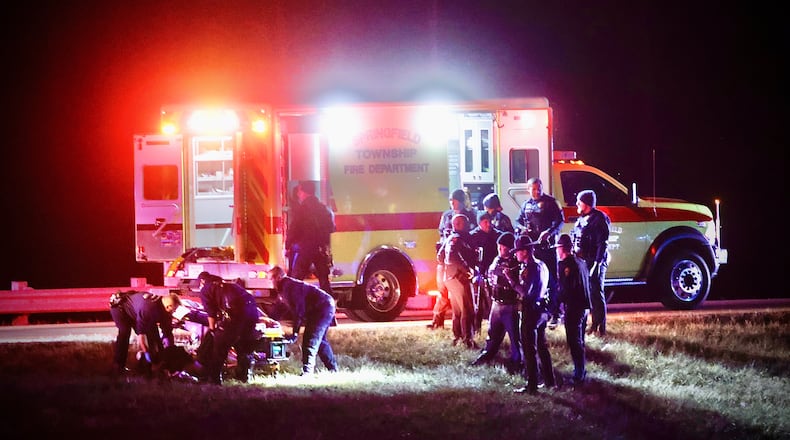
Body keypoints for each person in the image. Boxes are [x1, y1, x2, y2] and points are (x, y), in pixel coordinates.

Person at [196, 271, 267, 384]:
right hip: (252, 312)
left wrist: (212, 329)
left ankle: (215, 379)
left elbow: (211, 313)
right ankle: (244, 376)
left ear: (202, 281)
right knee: (244, 345)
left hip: (235, 314)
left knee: (220, 346)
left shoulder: (206, 288)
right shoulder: (230, 285)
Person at [510, 235, 559, 394]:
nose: (516, 254)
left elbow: (525, 293)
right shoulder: (542, 264)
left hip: (531, 311)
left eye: (517, 251)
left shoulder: (531, 268)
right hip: (542, 310)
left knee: (529, 349)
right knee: (542, 347)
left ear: (525, 251)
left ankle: (532, 385)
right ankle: (550, 381)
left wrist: (511, 280)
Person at [267, 265, 338, 375]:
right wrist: (268, 321)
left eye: (271, 278)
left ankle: (307, 371)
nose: (271, 282)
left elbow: (299, 311)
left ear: (278, 277)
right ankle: (333, 369)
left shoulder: (289, 287)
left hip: (322, 308)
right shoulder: (283, 289)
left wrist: (295, 332)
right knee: (320, 341)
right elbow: (279, 309)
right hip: (323, 306)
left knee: (311, 339)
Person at [516, 177, 565, 330]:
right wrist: (521, 228)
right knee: (535, 281)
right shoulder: (526, 205)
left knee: (552, 282)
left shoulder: (551, 202)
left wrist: (549, 232)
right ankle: (540, 311)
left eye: (539, 188)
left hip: (548, 249)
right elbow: (517, 221)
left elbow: (560, 221)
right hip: (534, 249)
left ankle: (556, 313)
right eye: (534, 188)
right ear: (528, 189)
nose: (537, 191)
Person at [470, 232, 522, 374]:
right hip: (496, 304)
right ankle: (487, 354)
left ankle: (517, 362)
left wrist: (505, 279)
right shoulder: (496, 260)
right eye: (499, 247)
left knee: (514, 337)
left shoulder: (515, 263)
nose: (500, 250)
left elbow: (516, 283)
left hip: (509, 305)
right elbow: (490, 275)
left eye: (503, 248)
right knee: (492, 334)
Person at [427, 188, 478, 330]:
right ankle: (437, 321)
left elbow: (473, 233)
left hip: (460, 261)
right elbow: (441, 233)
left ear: (462, 202)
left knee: (462, 297)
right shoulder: (447, 216)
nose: (452, 204)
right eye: (450, 201)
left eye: (455, 201)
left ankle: (465, 328)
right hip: (445, 259)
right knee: (442, 291)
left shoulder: (470, 216)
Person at [109, 290, 181, 377]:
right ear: (168, 307)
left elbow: (167, 332)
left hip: (136, 310)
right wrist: (146, 352)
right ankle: (118, 366)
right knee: (124, 333)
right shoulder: (148, 308)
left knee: (154, 333)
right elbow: (141, 336)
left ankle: (156, 366)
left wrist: (169, 351)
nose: (174, 312)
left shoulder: (165, 309)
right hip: (121, 308)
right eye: (174, 310)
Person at [553, 233, 592, 386]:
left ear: (562, 248)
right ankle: (581, 370)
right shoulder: (580, 262)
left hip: (574, 307)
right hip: (584, 307)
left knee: (574, 341)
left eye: (558, 248)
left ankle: (579, 374)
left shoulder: (565, 264)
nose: (557, 251)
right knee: (580, 340)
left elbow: (565, 288)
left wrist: (557, 306)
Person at [571, 190, 610, 336]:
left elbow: (602, 243)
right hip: (582, 261)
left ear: (586, 204)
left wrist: (597, 264)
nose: (576, 204)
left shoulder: (599, 219)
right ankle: (589, 325)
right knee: (586, 294)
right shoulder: (581, 219)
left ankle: (600, 327)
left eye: (579, 202)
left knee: (596, 292)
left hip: (594, 260)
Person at [286, 180, 336, 297]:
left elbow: (294, 228)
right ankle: (329, 305)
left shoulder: (301, 209)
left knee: (296, 280)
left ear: (303, 192)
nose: (298, 193)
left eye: (299, 190)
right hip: (320, 249)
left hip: (305, 249)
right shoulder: (323, 209)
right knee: (324, 281)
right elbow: (331, 228)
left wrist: (288, 245)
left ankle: (294, 307)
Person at [436, 213, 478, 348]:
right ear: (459, 224)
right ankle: (467, 340)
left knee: (458, 310)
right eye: (466, 223)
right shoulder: (458, 239)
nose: (468, 226)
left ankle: (457, 337)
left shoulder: (449, 238)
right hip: (459, 278)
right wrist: (466, 269)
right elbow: (453, 258)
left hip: (450, 278)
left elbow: (440, 257)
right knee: (467, 309)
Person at [469, 211, 500, 335]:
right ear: (479, 223)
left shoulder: (497, 235)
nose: (488, 224)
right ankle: (477, 330)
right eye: (485, 222)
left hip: (493, 273)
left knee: (494, 303)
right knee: (478, 304)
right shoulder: (473, 236)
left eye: (489, 221)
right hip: (479, 273)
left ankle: (496, 330)